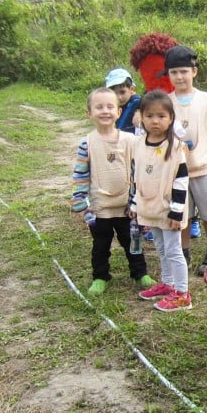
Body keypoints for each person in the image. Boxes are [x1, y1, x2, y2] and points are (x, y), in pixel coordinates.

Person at [71, 87, 155, 297]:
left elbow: (139, 172)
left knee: (133, 243)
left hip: (128, 207)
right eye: (99, 107)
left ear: (118, 112)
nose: (105, 111)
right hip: (100, 208)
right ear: (89, 113)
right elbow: (80, 174)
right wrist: (80, 200)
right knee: (100, 246)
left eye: (110, 106)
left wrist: (139, 200)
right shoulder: (86, 143)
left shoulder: (131, 141)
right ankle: (100, 276)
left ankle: (140, 272)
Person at [162, 45, 207, 275]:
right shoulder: (167, 102)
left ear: (194, 72)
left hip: (205, 167)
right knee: (183, 214)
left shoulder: (206, 100)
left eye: (184, 71)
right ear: (168, 75)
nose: (179, 77)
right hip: (177, 171)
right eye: (174, 72)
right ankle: (184, 251)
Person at [131, 90, 192, 312]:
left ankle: (183, 293)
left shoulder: (175, 147)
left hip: (169, 209)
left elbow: (181, 180)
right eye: (149, 116)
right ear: (141, 117)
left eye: (161, 116)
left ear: (171, 119)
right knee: (160, 247)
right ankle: (168, 284)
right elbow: (137, 176)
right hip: (149, 206)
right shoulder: (138, 144)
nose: (155, 121)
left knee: (174, 249)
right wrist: (135, 204)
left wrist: (176, 212)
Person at [105, 68, 142, 135]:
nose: (119, 97)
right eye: (114, 93)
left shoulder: (136, 102)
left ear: (131, 89)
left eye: (122, 92)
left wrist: (139, 111)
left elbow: (147, 102)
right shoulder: (115, 105)